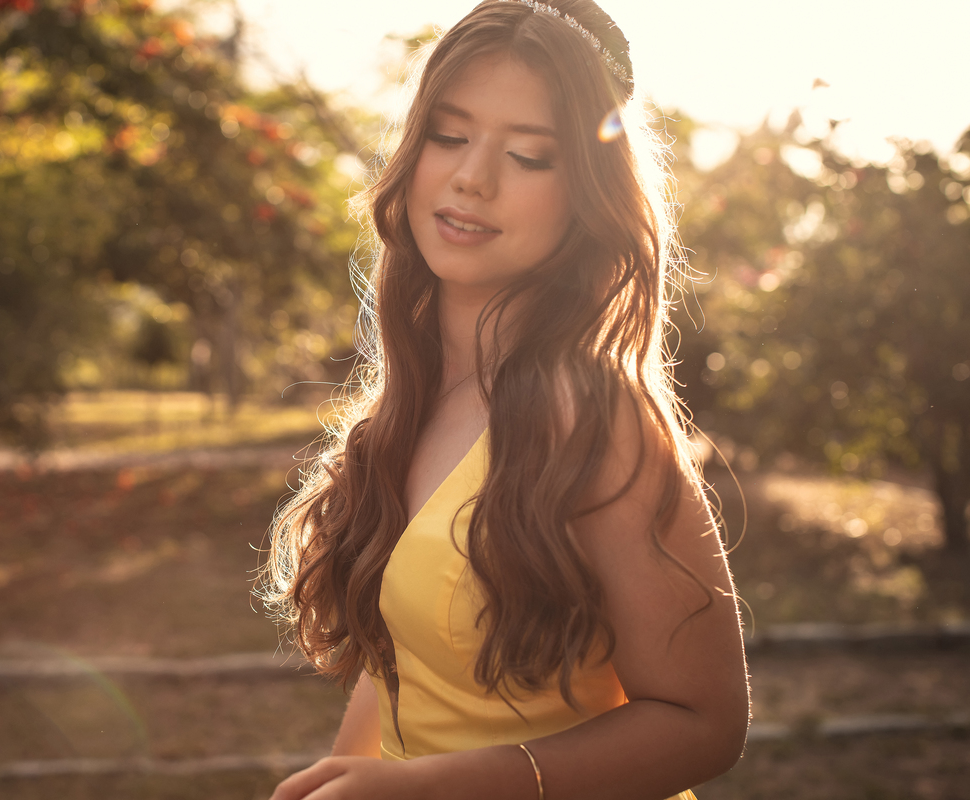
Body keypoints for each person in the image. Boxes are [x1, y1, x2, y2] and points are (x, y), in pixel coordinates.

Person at [260, 1, 750, 798]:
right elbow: (405, 660)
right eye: (450, 137)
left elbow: (706, 723)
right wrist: (347, 775)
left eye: (528, 156)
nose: (471, 178)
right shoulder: (405, 404)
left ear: (585, 195)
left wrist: (431, 787)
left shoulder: (591, 415)